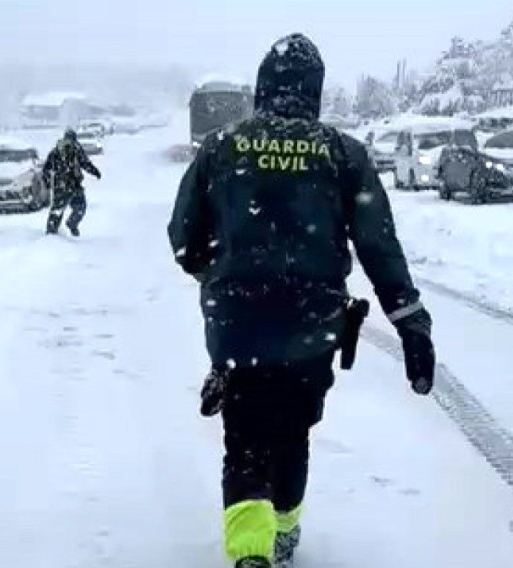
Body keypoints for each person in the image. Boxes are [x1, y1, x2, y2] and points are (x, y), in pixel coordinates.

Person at [167, 33, 435, 568]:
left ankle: (250, 555)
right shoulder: (343, 154)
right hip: (312, 331)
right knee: (293, 431)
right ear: (313, 90)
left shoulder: (222, 147)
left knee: (244, 439)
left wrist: (218, 274)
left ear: (264, 86)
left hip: (238, 328)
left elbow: (183, 237)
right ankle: (284, 537)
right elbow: (379, 245)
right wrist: (411, 323)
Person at [42, 127, 102, 236]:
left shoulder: (56, 151)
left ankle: (51, 232)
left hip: (61, 185)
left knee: (57, 210)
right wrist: (95, 172)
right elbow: (85, 163)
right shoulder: (75, 149)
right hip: (73, 185)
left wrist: (47, 181)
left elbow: (46, 168)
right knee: (80, 208)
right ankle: (71, 224)